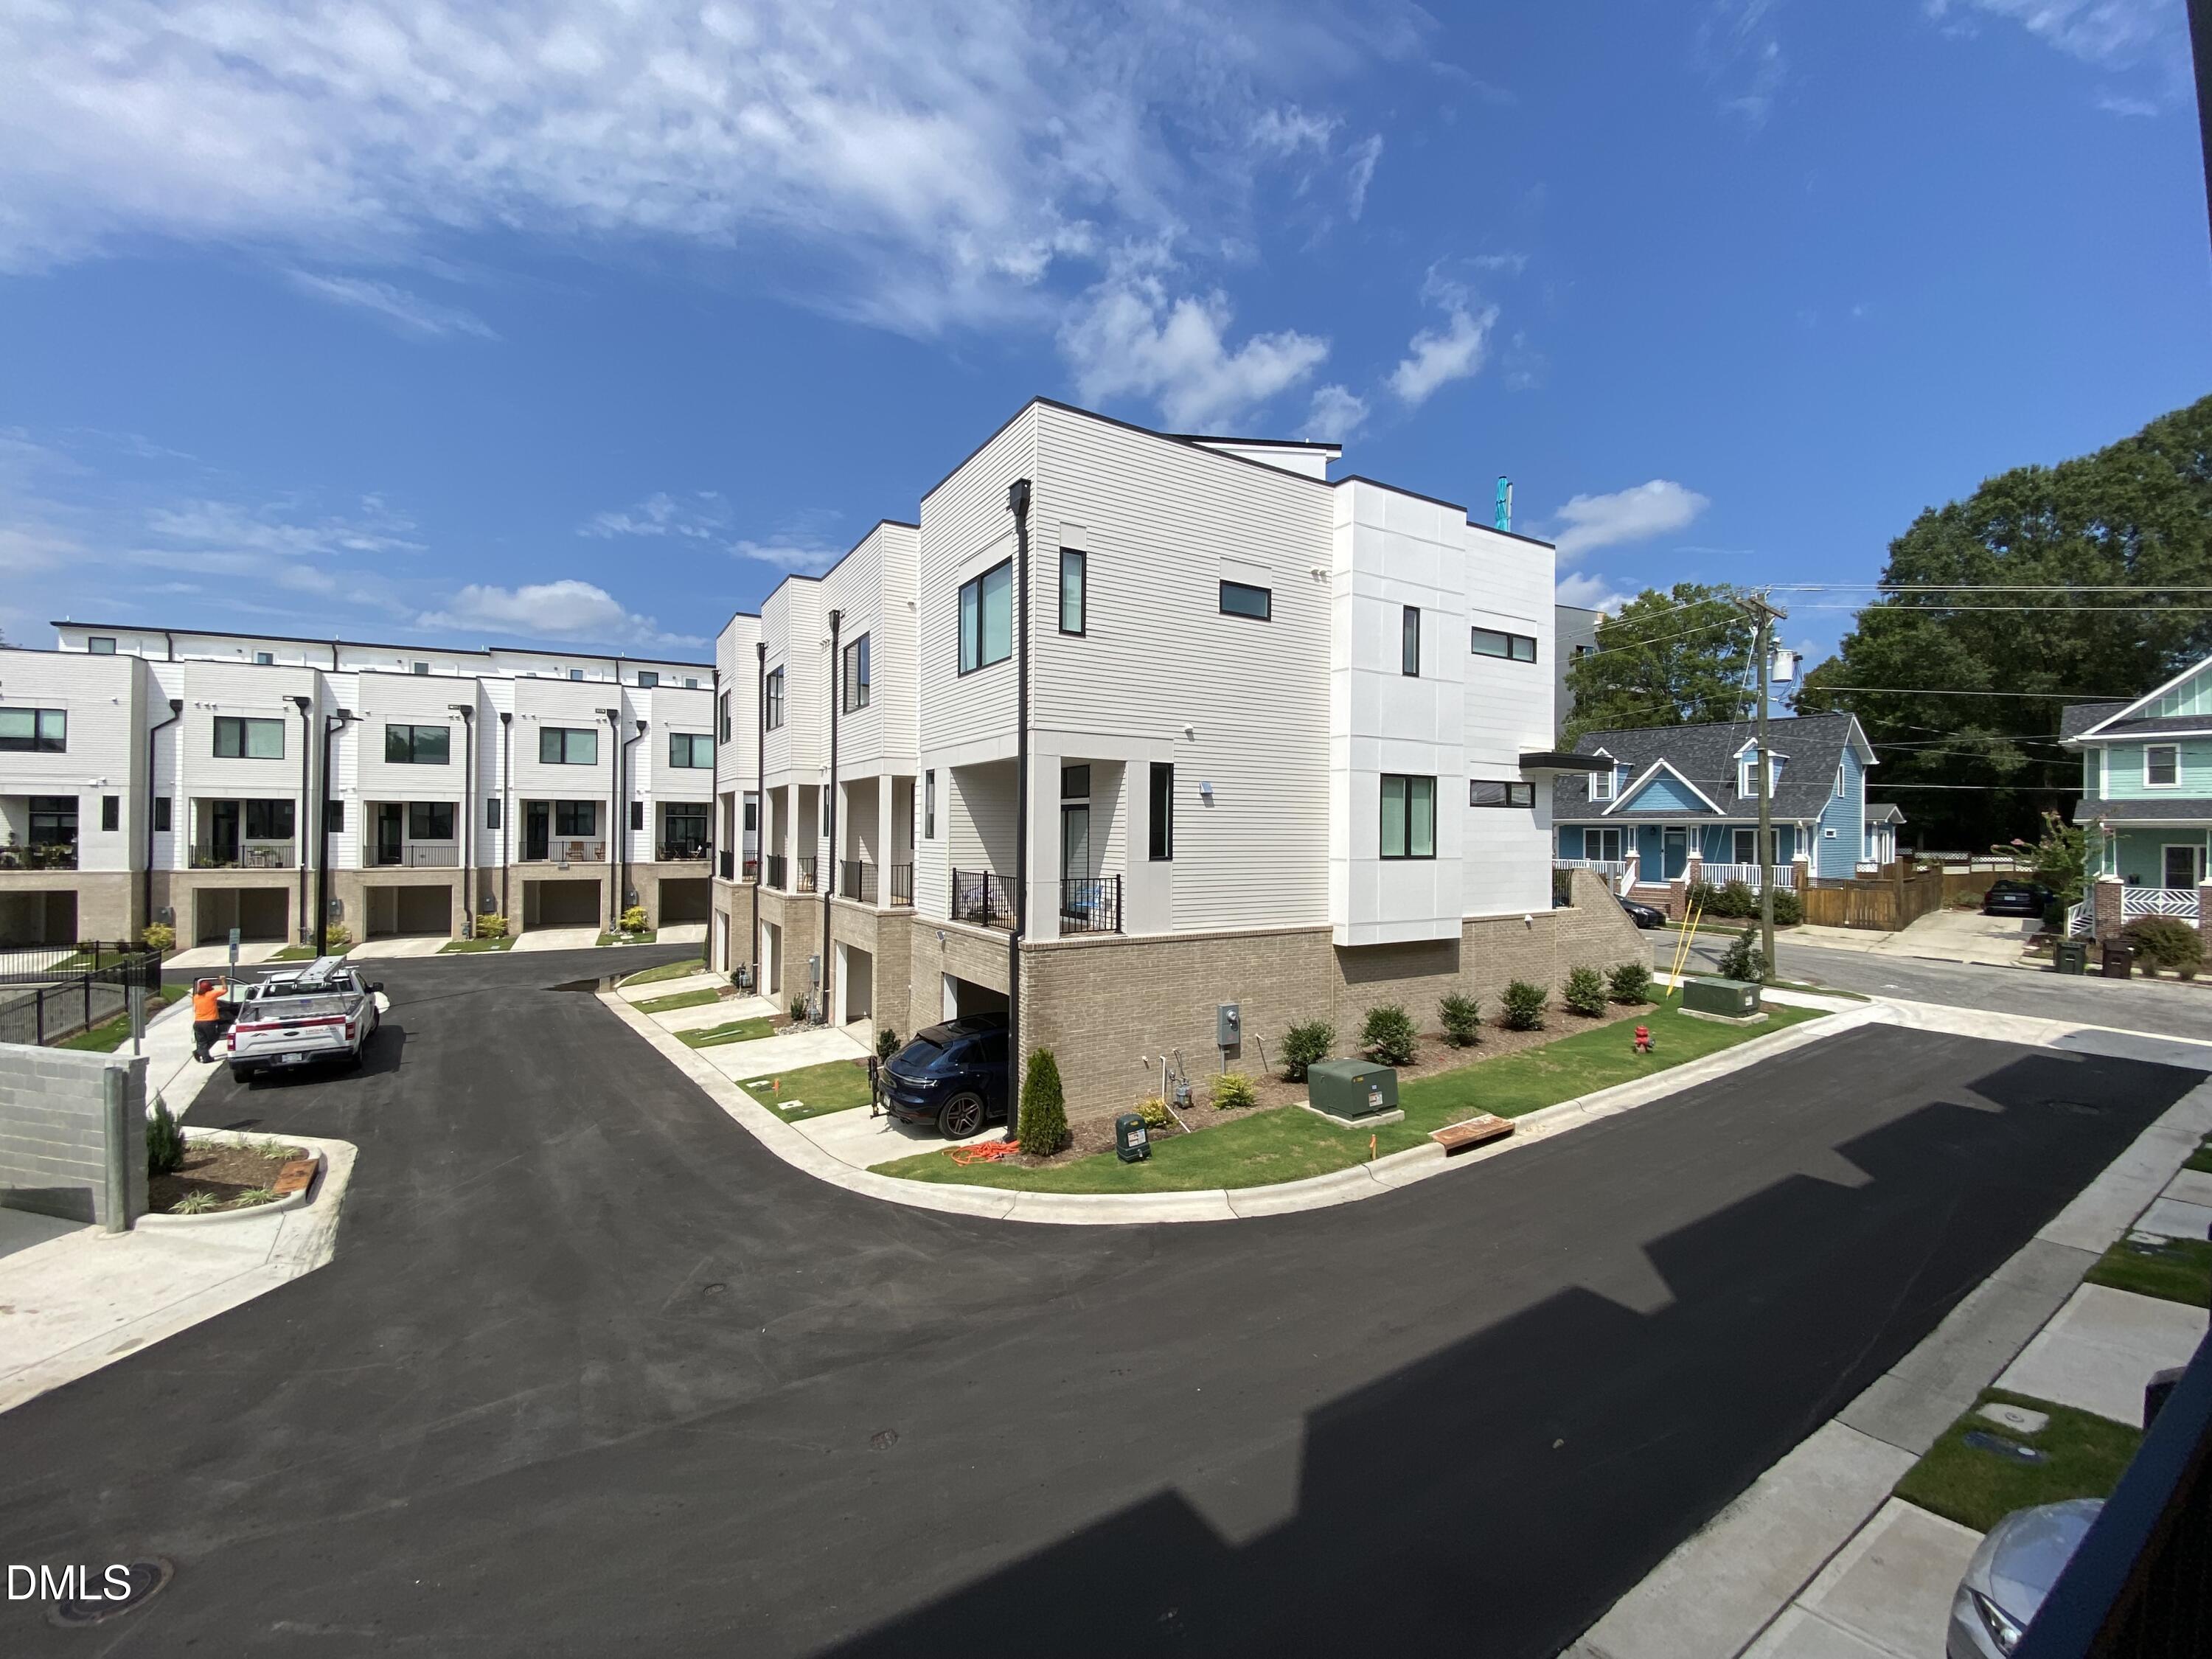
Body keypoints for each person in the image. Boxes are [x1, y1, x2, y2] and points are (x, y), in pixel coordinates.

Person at [191, 977, 229, 1063]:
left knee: (202, 1041)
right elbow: (225, 990)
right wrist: (223, 980)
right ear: (209, 988)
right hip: (209, 1022)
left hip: (198, 1022)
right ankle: (200, 1052)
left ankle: (205, 1057)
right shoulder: (211, 994)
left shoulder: (196, 997)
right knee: (214, 1037)